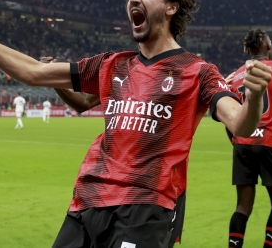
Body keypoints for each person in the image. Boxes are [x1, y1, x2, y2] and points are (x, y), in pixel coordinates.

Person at [0, 0, 272, 248]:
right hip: (87, 202)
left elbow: (240, 123)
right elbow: (32, 72)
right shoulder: (111, 65)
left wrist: (254, 96)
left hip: (146, 207)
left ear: (171, 6)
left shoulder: (198, 72)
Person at [42, 55, 186, 248]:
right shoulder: (122, 69)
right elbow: (83, 101)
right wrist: (56, 80)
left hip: (149, 194)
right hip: (99, 187)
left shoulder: (187, 71)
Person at [225, 29, 272, 248]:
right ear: (267, 45)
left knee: (242, 207)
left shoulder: (237, 75)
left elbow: (229, 117)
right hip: (270, 143)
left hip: (243, 144)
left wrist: (235, 139)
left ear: (248, 49)